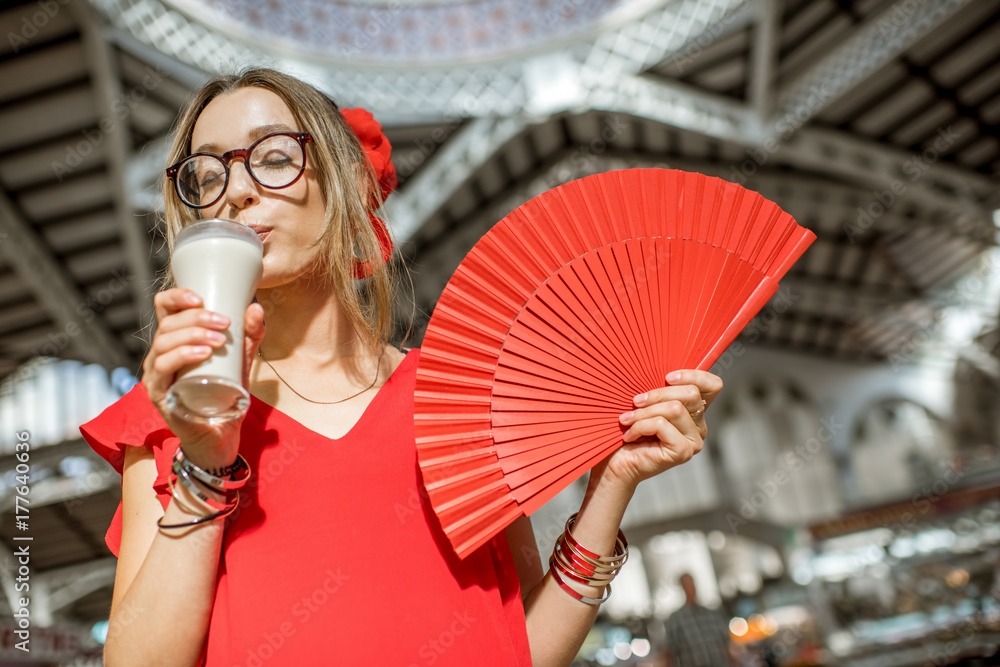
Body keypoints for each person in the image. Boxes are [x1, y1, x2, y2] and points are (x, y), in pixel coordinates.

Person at [79, 67, 724, 666]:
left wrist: (612, 485)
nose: (237, 192)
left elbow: (521, 647)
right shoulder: (171, 410)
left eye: (274, 157)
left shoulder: (459, 396)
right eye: (206, 175)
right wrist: (207, 466)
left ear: (347, 184)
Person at [663, 573, 737, 667]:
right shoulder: (676, 620)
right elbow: (670, 652)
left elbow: (725, 646)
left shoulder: (711, 615)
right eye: (686, 585)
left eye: (691, 584)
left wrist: (734, 662)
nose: (690, 588)